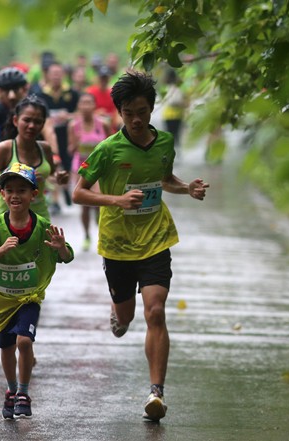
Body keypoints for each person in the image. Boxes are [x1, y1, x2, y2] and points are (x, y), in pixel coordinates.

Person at [72, 70, 209, 422]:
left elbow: (165, 180)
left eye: (143, 111)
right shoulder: (107, 150)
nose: (137, 119)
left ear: (152, 109)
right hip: (117, 245)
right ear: (119, 111)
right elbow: (78, 192)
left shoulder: (164, 143)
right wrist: (117, 201)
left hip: (155, 239)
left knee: (156, 312)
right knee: (128, 317)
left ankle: (156, 394)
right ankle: (118, 316)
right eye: (129, 112)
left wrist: (186, 188)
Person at [0, 162, 73, 419]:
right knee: (6, 348)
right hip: (3, 300)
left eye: (22, 190)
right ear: (3, 195)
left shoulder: (42, 226)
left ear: (34, 195)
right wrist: (1, 250)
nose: (16, 195)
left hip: (30, 297)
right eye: (10, 190)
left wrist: (60, 247)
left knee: (24, 341)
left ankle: (24, 392)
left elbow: (66, 257)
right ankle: (10, 390)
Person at [0, 95, 69, 220]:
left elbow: (51, 176)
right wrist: (21, 182)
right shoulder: (5, 149)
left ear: (43, 124)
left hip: (39, 218)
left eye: (37, 122)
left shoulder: (45, 149)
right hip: (6, 220)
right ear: (16, 120)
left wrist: (59, 178)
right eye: (27, 120)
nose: (32, 126)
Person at [67, 92, 110, 251]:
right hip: (81, 168)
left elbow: (110, 145)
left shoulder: (103, 124)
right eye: (83, 103)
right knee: (84, 204)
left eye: (89, 103)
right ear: (79, 106)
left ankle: (101, 233)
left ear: (94, 105)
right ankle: (86, 235)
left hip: (99, 169)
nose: (86, 106)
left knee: (98, 202)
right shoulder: (73, 126)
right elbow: (70, 149)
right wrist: (77, 143)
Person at [36, 61, 80, 208]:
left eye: (58, 73)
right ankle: (54, 199)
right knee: (52, 163)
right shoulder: (41, 94)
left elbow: (80, 112)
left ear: (63, 75)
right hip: (48, 135)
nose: (56, 76)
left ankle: (65, 189)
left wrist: (68, 116)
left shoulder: (72, 93)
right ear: (47, 75)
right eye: (53, 74)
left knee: (66, 164)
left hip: (66, 136)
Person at [86, 65, 122, 133]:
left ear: (109, 78)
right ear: (98, 78)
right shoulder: (90, 92)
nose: (104, 80)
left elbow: (117, 111)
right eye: (102, 78)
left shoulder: (114, 93)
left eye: (106, 78)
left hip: (111, 129)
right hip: (94, 129)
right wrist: (96, 113)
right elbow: (83, 111)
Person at [160, 68, 187, 149]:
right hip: (178, 115)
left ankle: (171, 152)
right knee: (176, 135)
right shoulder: (180, 88)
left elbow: (164, 101)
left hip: (167, 115)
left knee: (169, 135)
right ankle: (176, 152)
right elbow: (184, 100)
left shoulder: (164, 88)